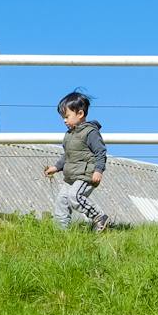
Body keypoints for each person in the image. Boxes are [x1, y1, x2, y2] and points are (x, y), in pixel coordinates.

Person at [44, 89, 110, 232]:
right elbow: (67, 155)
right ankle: (61, 231)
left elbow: (100, 152)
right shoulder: (69, 135)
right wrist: (56, 167)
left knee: (75, 196)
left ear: (80, 114)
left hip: (86, 175)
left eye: (67, 116)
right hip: (71, 176)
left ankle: (99, 217)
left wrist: (98, 170)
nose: (64, 120)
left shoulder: (90, 132)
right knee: (61, 201)